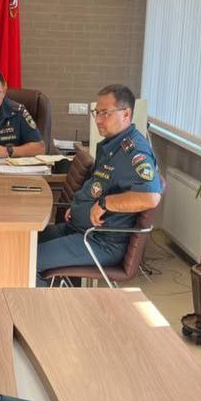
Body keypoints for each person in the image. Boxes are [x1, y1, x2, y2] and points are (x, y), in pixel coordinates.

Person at [36, 83, 162, 284]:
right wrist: (77, 206)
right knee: (24, 243)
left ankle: (39, 304)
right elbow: (99, 185)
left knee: (30, 260)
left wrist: (105, 203)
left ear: (126, 114)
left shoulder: (135, 151)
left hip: (100, 241)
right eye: (97, 113)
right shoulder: (113, 145)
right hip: (78, 228)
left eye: (105, 113)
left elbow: (150, 197)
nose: (98, 120)